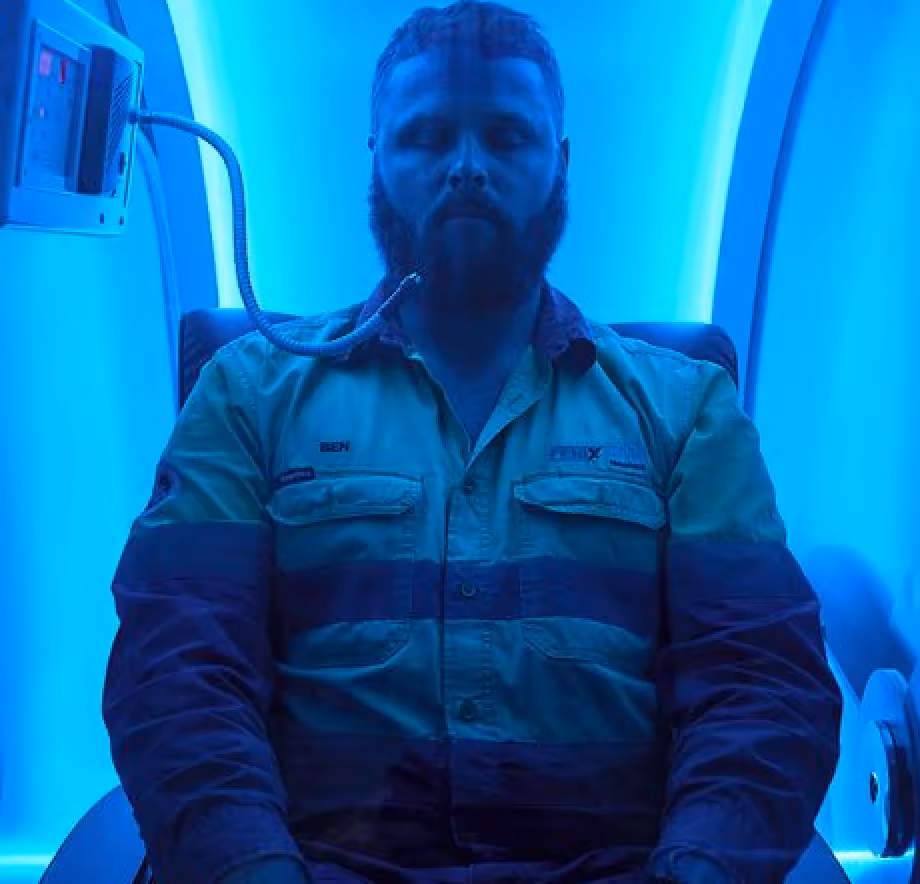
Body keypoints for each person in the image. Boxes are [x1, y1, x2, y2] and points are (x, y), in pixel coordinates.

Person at [102, 2, 843, 883]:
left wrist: (701, 869)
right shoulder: (247, 392)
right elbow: (179, 668)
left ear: (558, 164)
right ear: (375, 160)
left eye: (506, 136)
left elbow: (760, 679)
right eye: (425, 137)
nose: (466, 168)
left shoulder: (686, 409)